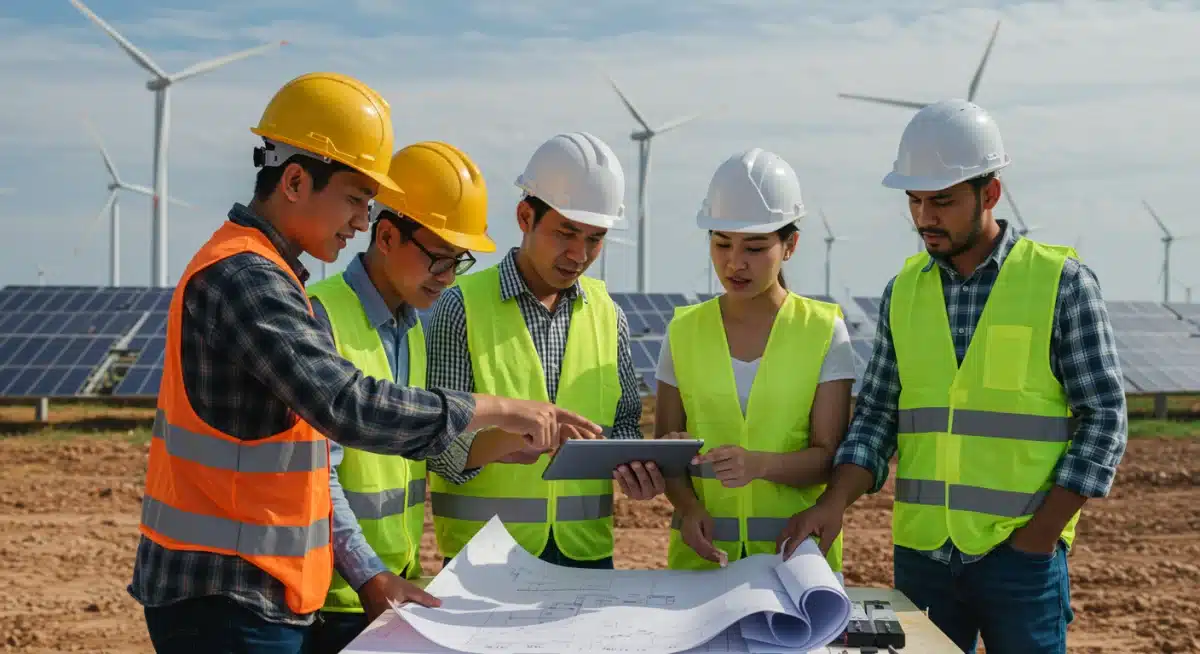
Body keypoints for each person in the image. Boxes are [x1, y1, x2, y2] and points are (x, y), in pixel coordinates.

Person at [128, 72, 602, 654]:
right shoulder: (247, 279)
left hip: (262, 589)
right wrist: (497, 408)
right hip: (227, 592)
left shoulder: (274, 278)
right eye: (355, 199)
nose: (359, 221)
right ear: (296, 181)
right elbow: (346, 405)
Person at [776, 99, 1128, 654]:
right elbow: (876, 417)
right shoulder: (904, 292)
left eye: (941, 201)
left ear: (989, 194)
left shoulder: (1062, 284)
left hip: (1021, 559)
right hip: (923, 560)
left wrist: (1039, 537)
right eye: (914, 201)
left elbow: (1104, 419)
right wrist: (834, 501)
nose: (924, 217)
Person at [304, 141, 553, 653]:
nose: (446, 279)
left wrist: (501, 443)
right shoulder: (320, 316)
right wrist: (367, 575)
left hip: (390, 587)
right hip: (331, 598)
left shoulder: (414, 330)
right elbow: (314, 473)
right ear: (388, 235)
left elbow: (415, 451)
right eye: (439, 259)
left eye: (457, 263)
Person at [426, 131, 665, 570]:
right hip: (482, 561)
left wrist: (636, 468)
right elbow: (439, 448)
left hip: (586, 554)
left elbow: (625, 426)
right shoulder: (459, 306)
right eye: (566, 233)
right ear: (524, 216)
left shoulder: (610, 316)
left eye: (595, 239)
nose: (579, 254)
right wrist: (511, 439)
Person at [653, 149, 855, 572]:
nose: (734, 262)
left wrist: (760, 464)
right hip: (701, 564)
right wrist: (688, 508)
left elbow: (827, 457)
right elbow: (668, 452)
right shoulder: (683, 331)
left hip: (795, 561)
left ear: (790, 245)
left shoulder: (823, 330)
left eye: (755, 247)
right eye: (721, 243)